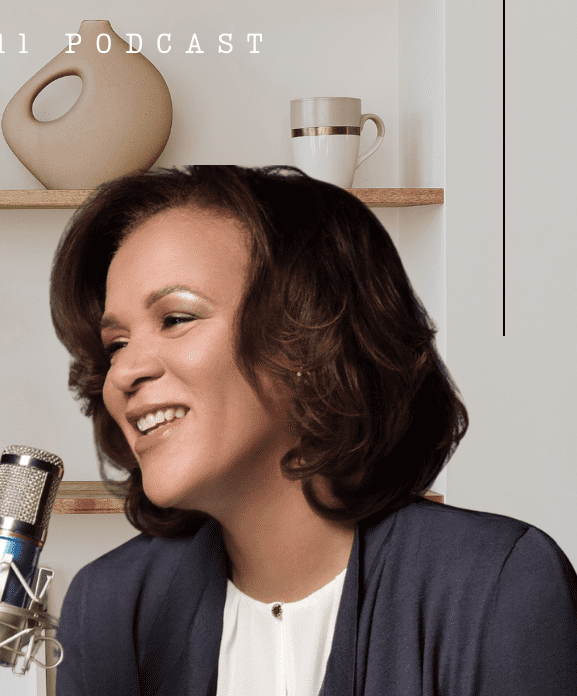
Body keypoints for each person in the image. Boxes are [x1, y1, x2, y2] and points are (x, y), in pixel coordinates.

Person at [48, 166, 577, 695]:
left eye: (177, 319)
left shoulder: (499, 585)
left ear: (306, 335)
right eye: (116, 343)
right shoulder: (110, 607)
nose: (122, 373)